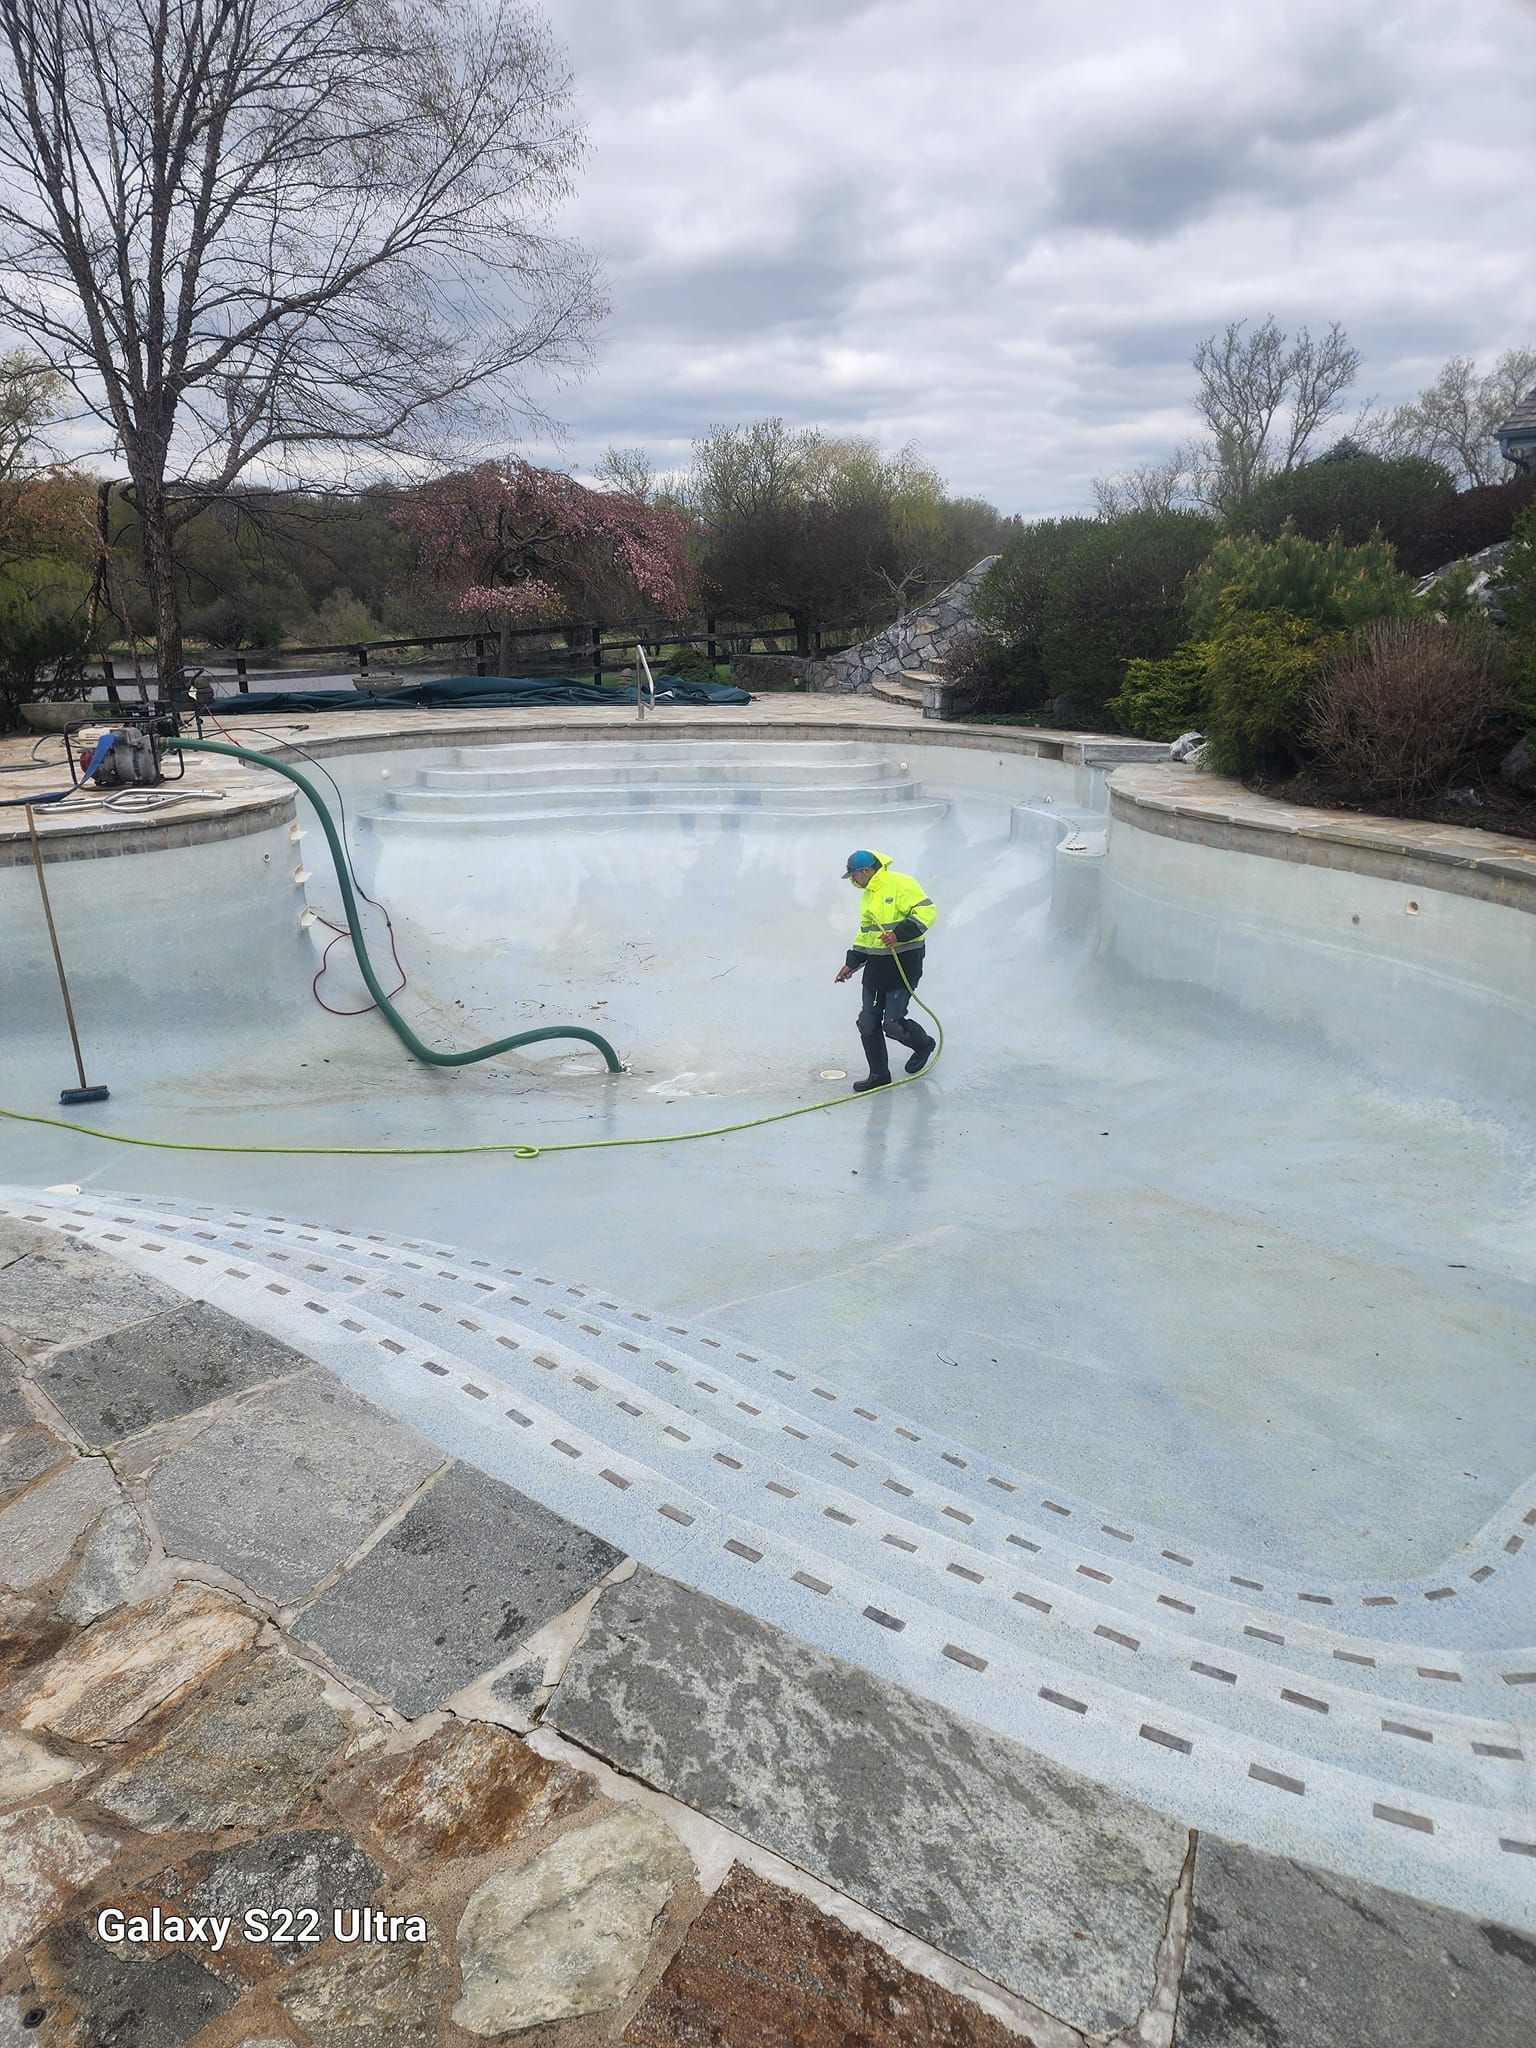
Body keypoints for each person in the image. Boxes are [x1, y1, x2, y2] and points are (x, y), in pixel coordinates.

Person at [833, 849, 937, 1092]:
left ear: (866, 871)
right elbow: (866, 935)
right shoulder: (868, 896)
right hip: (876, 969)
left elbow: (927, 911)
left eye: (854, 875)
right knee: (867, 1022)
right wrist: (852, 963)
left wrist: (898, 934)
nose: (852, 880)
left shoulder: (901, 883)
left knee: (892, 1025)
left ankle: (923, 1045)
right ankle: (879, 1075)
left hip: (903, 966)